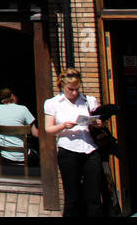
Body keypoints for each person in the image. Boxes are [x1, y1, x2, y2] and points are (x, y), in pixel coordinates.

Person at [43, 68, 104, 217]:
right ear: (62, 86)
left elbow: (97, 121)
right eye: (71, 89)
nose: (75, 93)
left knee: (94, 195)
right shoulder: (53, 103)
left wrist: (97, 123)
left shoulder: (88, 100)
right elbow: (48, 129)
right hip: (68, 150)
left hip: (90, 148)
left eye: (77, 89)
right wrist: (63, 125)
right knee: (72, 196)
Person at [0, 87, 38, 166]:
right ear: (13, 96)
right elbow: (35, 133)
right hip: (23, 157)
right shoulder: (23, 109)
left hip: (4, 157)